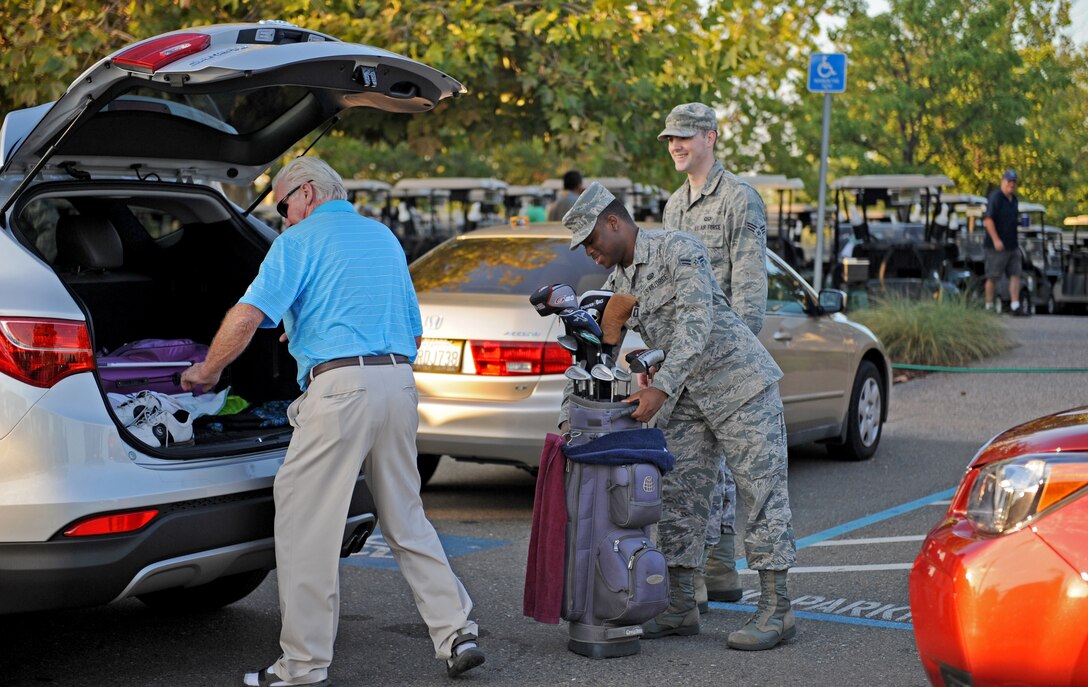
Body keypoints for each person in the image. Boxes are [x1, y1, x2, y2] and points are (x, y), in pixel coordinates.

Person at [180, 157, 484, 686]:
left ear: (307, 193)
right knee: (406, 518)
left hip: (340, 392)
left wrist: (207, 371)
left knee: (304, 528)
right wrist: (309, 329)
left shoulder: (297, 243)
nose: (282, 219)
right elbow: (411, 336)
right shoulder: (384, 238)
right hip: (399, 385)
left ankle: (301, 666)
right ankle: (456, 631)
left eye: (282, 206)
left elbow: (248, 314)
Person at [559, 182, 797, 650]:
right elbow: (594, 352)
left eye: (591, 240)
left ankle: (777, 609)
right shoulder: (618, 287)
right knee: (677, 496)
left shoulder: (677, 248)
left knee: (762, 493)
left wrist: (662, 386)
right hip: (687, 396)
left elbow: (696, 321)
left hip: (739, 385)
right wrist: (571, 414)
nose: (590, 252)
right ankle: (679, 605)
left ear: (614, 222)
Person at [658, 102, 769, 610]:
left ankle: (716, 567)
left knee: (724, 469)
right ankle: (714, 570)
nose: (676, 145)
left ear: (711, 137)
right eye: (670, 139)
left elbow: (749, 292)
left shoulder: (740, 199)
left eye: (685, 136)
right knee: (694, 473)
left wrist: (733, 361)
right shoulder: (674, 207)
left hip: (724, 358)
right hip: (687, 359)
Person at [983, 169, 1024, 314]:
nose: (1011, 184)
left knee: (1016, 273)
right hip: (997, 246)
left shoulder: (1014, 200)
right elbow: (988, 220)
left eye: (1014, 182)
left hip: (1012, 244)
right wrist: (996, 240)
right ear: (1003, 182)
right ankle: (989, 305)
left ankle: (1015, 305)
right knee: (993, 276)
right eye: (1009, 181)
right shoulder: (996, 198)